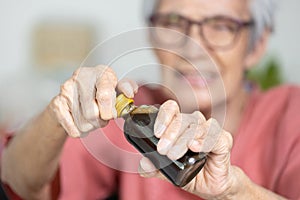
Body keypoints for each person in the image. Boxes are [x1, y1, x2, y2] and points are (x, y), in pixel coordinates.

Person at [1, 0, 300, 199]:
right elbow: (18, 181)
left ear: (256, 45)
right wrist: (57, 118)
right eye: (173, 22)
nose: (193, 47)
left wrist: (234, 191)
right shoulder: (133, 112)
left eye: (222, 26)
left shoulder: (292, 115)